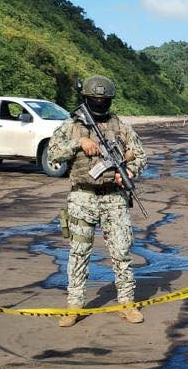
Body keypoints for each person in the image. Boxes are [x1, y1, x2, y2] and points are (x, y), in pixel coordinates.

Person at [47, 75, 147, 326]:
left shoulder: (121, 126)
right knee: (78, 252)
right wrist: (79, 143)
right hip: (83, 196)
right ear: (87, 99)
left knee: (122, 251)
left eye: (104, 100)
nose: (100, 103)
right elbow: (53, 154)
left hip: (114, 197)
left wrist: (131, 172)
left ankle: (126, 303)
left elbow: (141, 155)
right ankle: (74, 306)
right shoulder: (71, 126)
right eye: (95, 99)